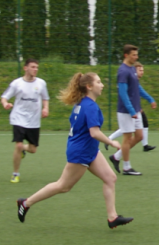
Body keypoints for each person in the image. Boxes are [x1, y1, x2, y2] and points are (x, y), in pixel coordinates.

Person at [16, 72, 133, 229]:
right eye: (99, 82)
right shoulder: (90, 106)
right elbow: (94, 132)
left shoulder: (82, 103)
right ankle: (26, 203)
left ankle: (112, 218)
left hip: (89, 149)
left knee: (110, 178)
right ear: (89, 86)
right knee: (63, 186)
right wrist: (111, 142)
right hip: (81, 152)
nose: (102, 85)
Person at [109, 45, 156, 176]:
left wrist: (150, 99)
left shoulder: (132, 69)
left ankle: (116, 157)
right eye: (133, 55)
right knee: (128, 139)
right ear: (126, 55)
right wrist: (131, 110)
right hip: (126, 111)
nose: (136, 57)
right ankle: (126, 167)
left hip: (135, 110)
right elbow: (123, 94)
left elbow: (138, 88)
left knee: (139, 136)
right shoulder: (123, 71)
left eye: (136, 54)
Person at [1, 59, 50, 183]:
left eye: (37, 67)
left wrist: (45, 108)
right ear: (25, 68)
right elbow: (4, 97)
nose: (35, 69)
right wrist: (5, 104)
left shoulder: (41, 83)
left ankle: (23, 149)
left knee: (33, 149)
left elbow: (45, 98)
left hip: (34, 121)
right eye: (33, 67)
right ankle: (15, 173)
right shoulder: (17, 83)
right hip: (18, 118)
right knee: (17, 145)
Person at [106, 62, 155, 152]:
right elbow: (125, 95)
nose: (142, 72)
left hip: (134, 108)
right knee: (128, 130)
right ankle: (112, 142)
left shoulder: (134, 81)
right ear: (134, 71)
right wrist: (132, 109)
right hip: (128, 110)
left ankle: (145, 145)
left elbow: (140, 91)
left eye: (143, 70)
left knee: (138, 128)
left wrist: (150, 99)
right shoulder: (128, 79)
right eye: (140, 70)